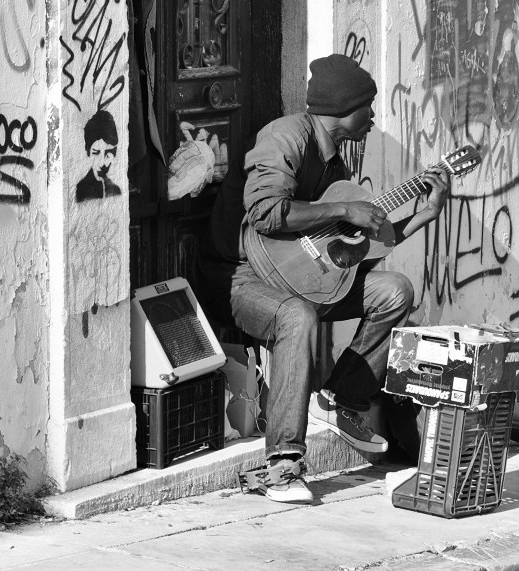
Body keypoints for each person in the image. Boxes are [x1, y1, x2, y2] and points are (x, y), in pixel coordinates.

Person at [198, 54, 450, 504]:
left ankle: (338, 397)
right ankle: (283, 465)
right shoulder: (285, 137)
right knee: (296, 318)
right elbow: (266, 212)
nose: (373, 118)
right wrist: (343, 209)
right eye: (367, 107)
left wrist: (421, 216)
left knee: (395, 291)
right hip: (239, 275)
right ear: (343, 108)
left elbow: (355, 250)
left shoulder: (336, 167)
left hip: (301, 276)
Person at [76, 110, 121, 202]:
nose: (101, 163)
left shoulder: (115, 190)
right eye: (96, 153)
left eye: (108, 155)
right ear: (88, 152)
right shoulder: (81, 190)